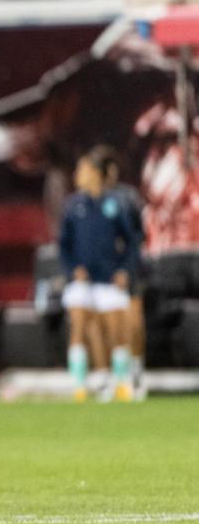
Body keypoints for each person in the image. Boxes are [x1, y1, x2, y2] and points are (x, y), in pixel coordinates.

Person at [59, 146, 138, 403]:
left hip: (108, 278)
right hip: (81, 281)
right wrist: (73, 269)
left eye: (82, 169)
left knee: (117, 332)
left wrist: (124, 269)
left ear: (94, 172)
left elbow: (132, 240)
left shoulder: (115, 203)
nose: (77, 174)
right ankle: (79, 385)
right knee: (79, 326)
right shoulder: (73, 206)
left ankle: (121, 383)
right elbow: (63, 245)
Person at [101, 150, 147, 400]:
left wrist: (127, 267)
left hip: (128, 269)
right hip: (102, 272)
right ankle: (114, 376)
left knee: (133, 322)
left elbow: (137, 236)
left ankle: (136, 370)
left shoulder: (128, 197)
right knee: (108, 326)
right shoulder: (86, 200)